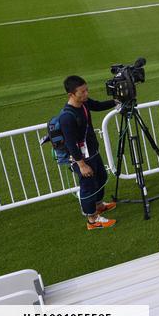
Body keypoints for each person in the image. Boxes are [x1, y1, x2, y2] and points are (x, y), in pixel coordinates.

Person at [59, 76, 118, 230]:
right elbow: (70, 143)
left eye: (87, 90)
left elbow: (97, 105)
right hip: (82, 158)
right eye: (82, 92)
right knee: (88, 187)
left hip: (92, 152)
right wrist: (82, 165)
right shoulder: (67, 117)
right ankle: (92, 220)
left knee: (101, 177)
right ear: (71, 94)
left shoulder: (84, 103)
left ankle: (99, 206)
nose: (86, 94)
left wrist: (116, 101)